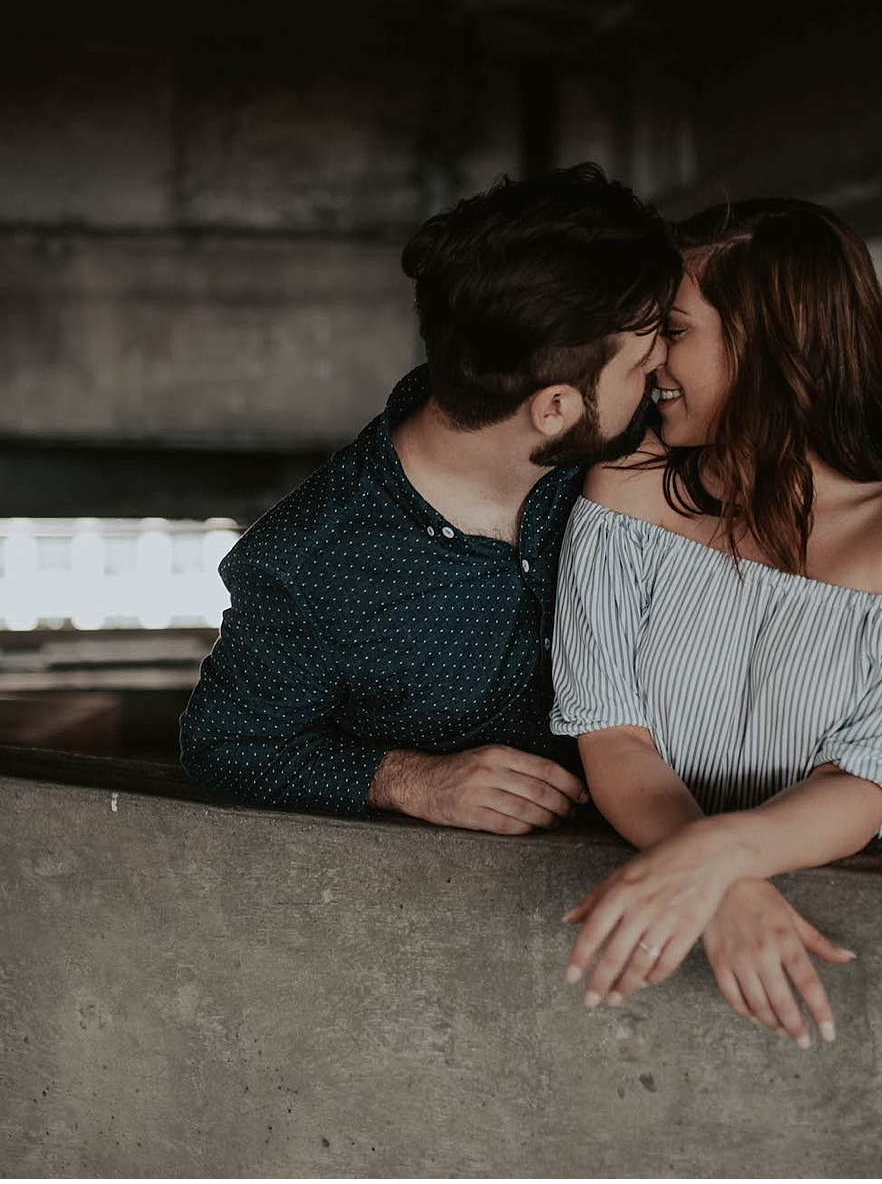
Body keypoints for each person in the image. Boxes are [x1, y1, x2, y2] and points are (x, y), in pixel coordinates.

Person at [550, 198, 882, 1047]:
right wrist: (726, 880)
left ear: (767, 343)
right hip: (656, 926)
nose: (649, 358)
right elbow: (612, 735)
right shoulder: (632, 481)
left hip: (845, 956)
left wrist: (714, 860)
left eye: (673, 329)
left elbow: (869, 780)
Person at [178, 164, 682, 833]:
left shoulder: (620, 451)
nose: (662, 373)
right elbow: (226, 744)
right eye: (645, 363)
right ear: (554, 407)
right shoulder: (307, 564)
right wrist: (412, 779)